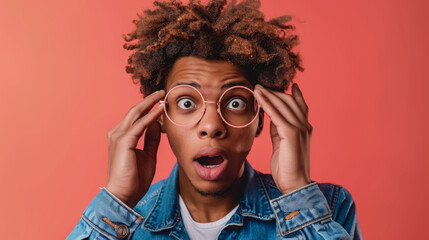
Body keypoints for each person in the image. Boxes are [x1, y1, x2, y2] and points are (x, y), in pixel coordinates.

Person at [67, 0, 363, 239]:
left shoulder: (330, 207)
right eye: (186, 102)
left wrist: (298, 194)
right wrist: (117, 200)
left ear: (260, 119)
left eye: (235, 102)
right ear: (160, 119)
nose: (211, 126)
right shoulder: (123, 224)